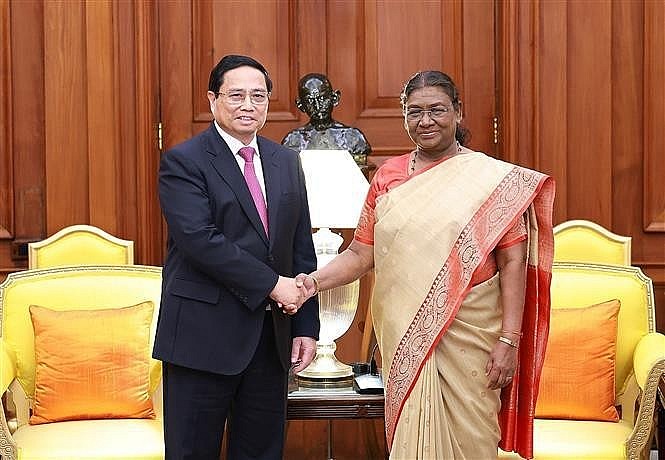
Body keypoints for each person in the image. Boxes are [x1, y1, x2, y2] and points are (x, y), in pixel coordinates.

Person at [296, 71, 555, 459]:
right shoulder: (388, 177)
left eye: (437, 110)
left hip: (473, 338)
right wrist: (310, 284)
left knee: (473, 440)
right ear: (404, 116)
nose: (426, 121)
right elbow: (360, 254)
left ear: (458, 112)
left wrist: (509, 341)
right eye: (414, 112)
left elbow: (513, 260)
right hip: (407, 338)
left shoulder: (489, 179)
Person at [153, 54, 320, 460]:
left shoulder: (285, 161)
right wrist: (272, 284)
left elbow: (300, 244)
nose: (249, 105)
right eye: (237, 95)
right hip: (201, 338)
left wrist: (306, 326)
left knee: (262, 452)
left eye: (259, 96)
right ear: (213, 100)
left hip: (270, 341)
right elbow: (200, 240)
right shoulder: (184, 161)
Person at [281, 73, 371, 166]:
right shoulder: (293, 140)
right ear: (301, 106)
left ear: (334, 98)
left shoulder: (353, 137)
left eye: (322, 98)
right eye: (310, 101)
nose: (317, 106)